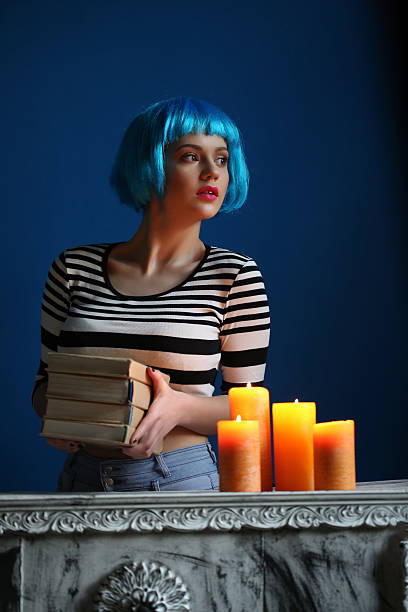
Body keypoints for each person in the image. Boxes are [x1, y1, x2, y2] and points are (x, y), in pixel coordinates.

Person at [32, 96, 270, 492]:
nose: (212, 173)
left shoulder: (234, 275)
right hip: (81, 482)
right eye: (192, 157)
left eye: (223, 159)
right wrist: (59, 414)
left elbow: (253, 410)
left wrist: (179, 408)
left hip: (181, 481)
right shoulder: (73, 268)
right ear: (150, 164)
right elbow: (44, 385)